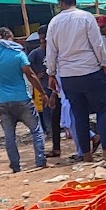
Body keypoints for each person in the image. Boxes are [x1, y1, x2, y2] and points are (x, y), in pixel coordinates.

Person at [46, 0, 106, 162]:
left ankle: (86, 155)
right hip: (91, 70)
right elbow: (97, 44)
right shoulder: (86, 17)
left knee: (79, 114)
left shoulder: (54, 23)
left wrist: (51, 73)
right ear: (75, 0)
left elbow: (51, 51)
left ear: (60, 3)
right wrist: (104, 63)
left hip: (68, 76)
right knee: (103, 110)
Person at [0, 28, 47, 172]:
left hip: (3, 101)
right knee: (36, 131)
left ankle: (15, 166)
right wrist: (43, 93)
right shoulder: (18, 54)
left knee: (9, 137)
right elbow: (31, 75)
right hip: (22, 99)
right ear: (8, 37)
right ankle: (40, 161)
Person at [27, 28, 63, 157]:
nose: (43, 41)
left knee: (63, 117)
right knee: (49, 115)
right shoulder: (36, 53)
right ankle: (51, 135)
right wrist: (36, 76)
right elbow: (27, 66)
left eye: (45, 38)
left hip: (58, 89)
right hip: (45, 88)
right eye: (41, 39)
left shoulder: (55, 51)